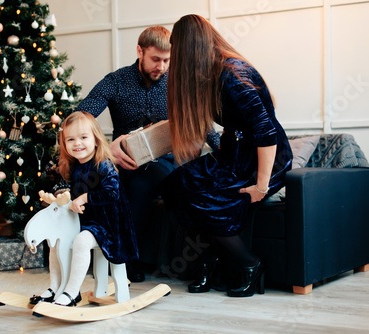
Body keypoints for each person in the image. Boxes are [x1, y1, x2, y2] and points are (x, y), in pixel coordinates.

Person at [161, 14, 293, 297]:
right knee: (176, 185)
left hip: (261, 157)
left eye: (175, 51)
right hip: (233, 152)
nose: (174, 60)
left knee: (207, 198)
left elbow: (266, 131)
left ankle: (249, 264)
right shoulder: (206, 74)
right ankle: (210, 258)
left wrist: (261, 185)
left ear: (188, 48)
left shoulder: (232, 74)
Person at [76, 26, 181, 282]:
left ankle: (126, 258)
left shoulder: (177, 82)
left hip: (163, 160)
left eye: (167, 60)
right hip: (121, 158)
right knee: (99, 182)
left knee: (141, 185)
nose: (162, 66)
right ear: (140, 51)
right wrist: (105, 148)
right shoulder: (116, 81)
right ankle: (85, 253)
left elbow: (203, 122)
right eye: (156, 59)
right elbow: (81, 116)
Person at [30, 111, 138, 307]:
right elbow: (69, 192)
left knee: (80, 242)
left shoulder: (104, 165)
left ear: (96, 140)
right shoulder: (74, 166)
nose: (77, 143)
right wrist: (60, 198)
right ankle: (56, 287)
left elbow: (112, 194)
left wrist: (87, 197)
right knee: (56, 240)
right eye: (70, 139)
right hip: (85, 222)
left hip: (109, 226)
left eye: (83, 137)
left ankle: (72, 293)